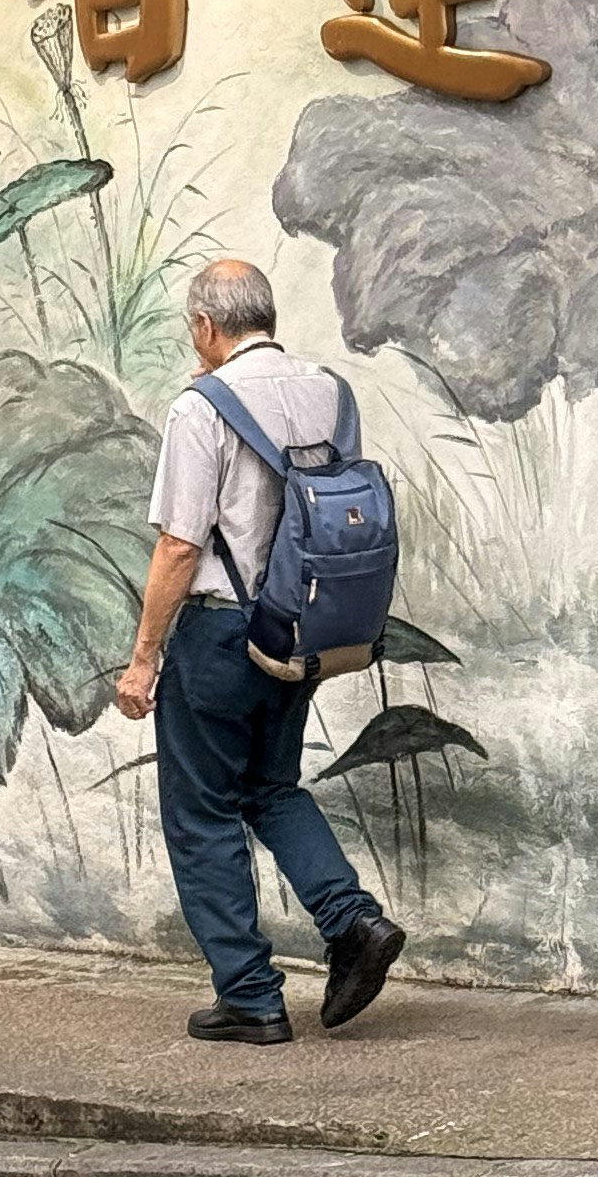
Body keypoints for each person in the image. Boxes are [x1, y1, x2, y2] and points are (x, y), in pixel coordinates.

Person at [116, 256, 406, 1046]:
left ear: (207, 328)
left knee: (203, 811)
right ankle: (352, 924)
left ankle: (249, 994)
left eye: (193, 329)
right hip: (302, 629)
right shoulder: (329, 393)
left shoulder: (201, 407)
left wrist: (144, 659)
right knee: (271, 788)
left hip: (219, 633)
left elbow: (180, 546)